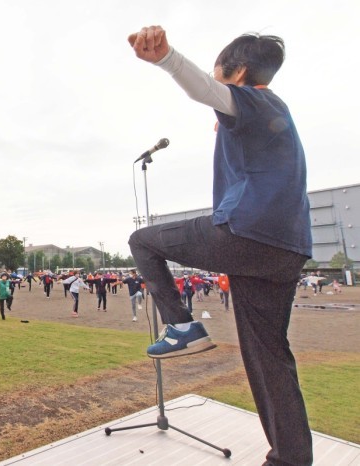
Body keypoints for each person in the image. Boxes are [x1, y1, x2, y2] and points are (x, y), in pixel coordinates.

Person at [127, 26, 313, 465]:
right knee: (270, 359)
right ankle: (290, 459)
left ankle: (182, 327)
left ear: (241, 70)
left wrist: (166, 58)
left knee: (142, 240)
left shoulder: (253, 99)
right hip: (286, 250)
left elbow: (208, 90)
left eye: (221, 74)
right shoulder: (270, 117)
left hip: (248, 232)